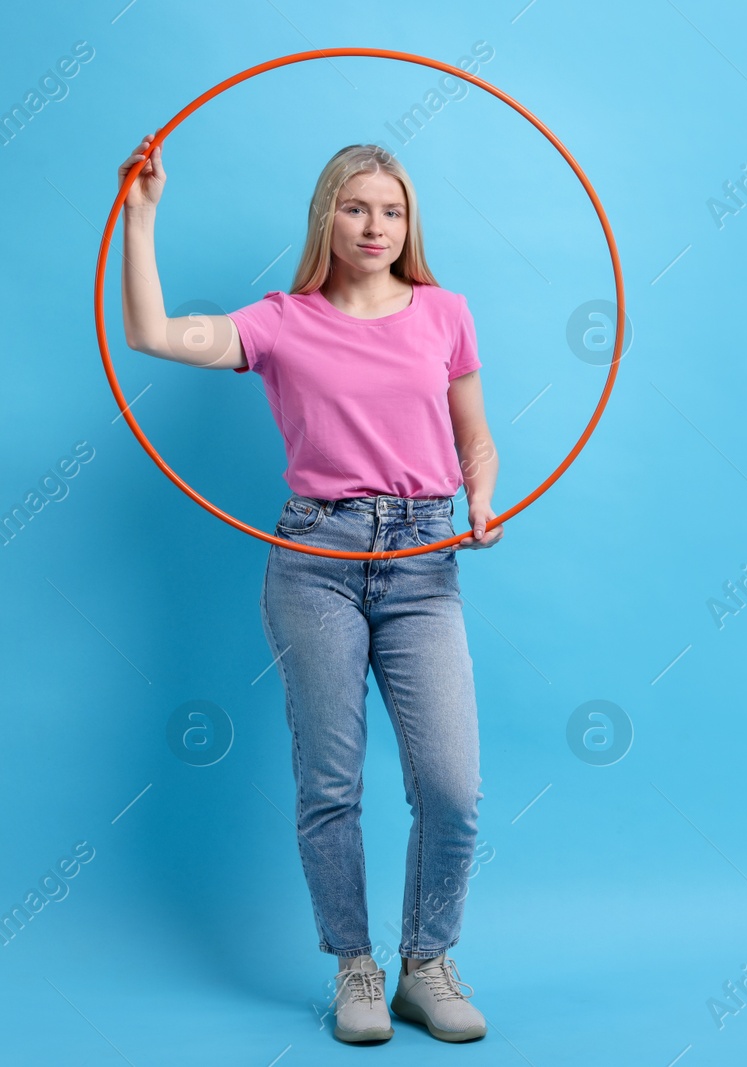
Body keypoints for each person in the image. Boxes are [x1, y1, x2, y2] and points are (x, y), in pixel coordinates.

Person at [118, 136, 502, 1044]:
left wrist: (481, 499)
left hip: (423, 559)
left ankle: (426, 964)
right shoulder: (281, 320)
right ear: (327, 213)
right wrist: (142, 216)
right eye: (357, 206)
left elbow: (474, 437)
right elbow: (152, 334)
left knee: (452, 785)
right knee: (330, 783)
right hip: (315, 561)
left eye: (393, 209)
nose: (376, 225)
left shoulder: (446, 313)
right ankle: (355, 969)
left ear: (411, 224)